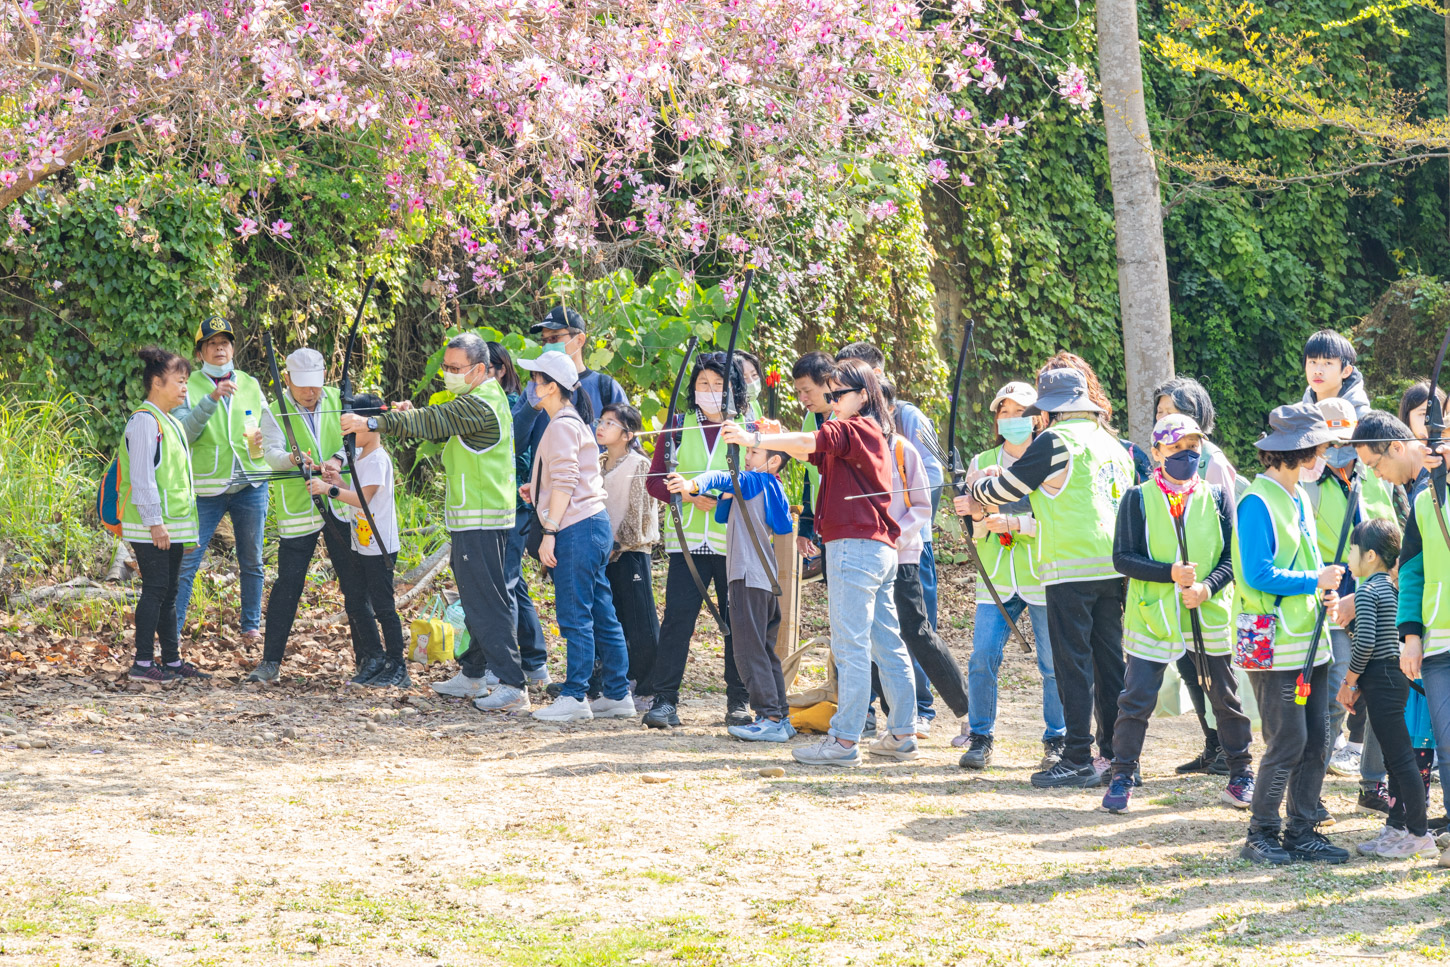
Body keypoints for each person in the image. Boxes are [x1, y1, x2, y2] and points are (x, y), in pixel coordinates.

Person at [723, 359, 920, 766]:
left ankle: (845, 741)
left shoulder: (855, 427)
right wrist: (773, 436)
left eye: (838, 394)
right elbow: (808, 449)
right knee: (884, 643)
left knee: (851, 647)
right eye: (829, 395)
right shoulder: (864, 431)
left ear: (863, 395)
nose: (831, 401)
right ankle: (902, 733)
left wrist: (751, 437)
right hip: (875, 549)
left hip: (855, 548)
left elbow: (810, 441)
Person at [959, 365, 1134, 789]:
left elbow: (1007, 491)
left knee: (1071, 665)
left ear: (1049, 409)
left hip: (1068, 567)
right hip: (1112, 565)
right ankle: (1118, 757)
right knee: (1110, 664)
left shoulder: (1056, 441)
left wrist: (975, 488)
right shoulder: (1112, 443)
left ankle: (1076, 757)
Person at [342, 333, 528, 712]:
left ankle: (512, 684)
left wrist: (372, 421)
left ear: (480, 369)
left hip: (483, 519)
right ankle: (474, 674)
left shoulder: (481, 404)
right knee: (474, 599)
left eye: (456, 368)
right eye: (446, 366)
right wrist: (404, 416)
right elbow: (436, 420)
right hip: (472, 518)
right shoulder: (477, 399)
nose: (448, 373)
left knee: (486, 602)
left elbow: (433, 420)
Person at [1102, 414, 1253, 814]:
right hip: (1153, 615)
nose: (1186, 455)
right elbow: (1123, 558)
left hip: (1207, 612)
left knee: (1224, 696)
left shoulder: (1217, 497)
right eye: (1175, 448)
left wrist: (1206, 587)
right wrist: (1168, 573)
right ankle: (1122, 775)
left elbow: (1231, 558)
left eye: (1192, 447)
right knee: (1136, 699)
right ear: (1156, 452)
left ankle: (1241, 773)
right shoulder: (1137, 498)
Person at [1232, 402, 1348, 865]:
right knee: (1288, 741)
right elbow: (1257, 573)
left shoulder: (1297, 495)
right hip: (1273, 643)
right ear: (1299, 452)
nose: (1324, 457)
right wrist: (1314, 581)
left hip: (1309, 640)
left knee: (1317, 739)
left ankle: (1302, 830)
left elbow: (1304, 565)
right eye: (1319, 449)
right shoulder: (1256, 501)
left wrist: (1325, 594)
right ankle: (1261, 832)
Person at [516, 351, 633, 723]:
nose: (531, 387)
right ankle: (617, 694)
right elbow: (570, 477)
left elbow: (567, 481)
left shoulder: (563, 425)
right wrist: (538, 490)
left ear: (552, 387)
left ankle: (575, 695)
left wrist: (549, 530)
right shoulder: (570, 422)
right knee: (601, 612)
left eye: (535, 380)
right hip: (591, 524)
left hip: (575, 528)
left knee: (575, 614)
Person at [957, 380, 1065, 771]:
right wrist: (975, 513)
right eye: (1005, 412)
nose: (1013, 419)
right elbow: (974, 529)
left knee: (1053, 663)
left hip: (1041, 574)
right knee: (983, 657)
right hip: (996, 578)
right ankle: (980, 737)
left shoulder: (1050, 457)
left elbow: (1059, 520)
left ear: (1037, 419)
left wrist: (1018, 524)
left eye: (1021, 412)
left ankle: (1057, 739)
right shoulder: (982, 460)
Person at [641, 351, 753, 728]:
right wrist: (688, 495)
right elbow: (654, 481)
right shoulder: (678, 425)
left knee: (737, 621)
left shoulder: (746, 428)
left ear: (734, 388)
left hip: (733, 539)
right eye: (703, 383)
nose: (710, 390)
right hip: (687, 541)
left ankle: (739, 701)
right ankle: (664, 701)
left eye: (719, 384)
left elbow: (764, 478)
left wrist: (727, 496)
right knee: (677, 620)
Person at [837, 343, 945, 731]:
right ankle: (869, 712)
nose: (844, 388)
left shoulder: (908, 419)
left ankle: (922, 710)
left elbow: (933, 476)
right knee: (868, 630)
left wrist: (900, 530)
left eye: (855, 376)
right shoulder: (842, 418)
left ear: (875, 378)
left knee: (913, 630)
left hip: (909, 546)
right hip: (864, 547)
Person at [250, 347, 371, 684]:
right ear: (287, 379)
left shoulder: (338, 400)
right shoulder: (274, 410)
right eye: (302, 384)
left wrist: (336, 460)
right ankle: (270, 662)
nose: (310, 391)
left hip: (338, 502)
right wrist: (293, 459)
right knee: (288, 584)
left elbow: (355, 441)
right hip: (299, 508)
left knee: (354, 581)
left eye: (315, 383)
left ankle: (367, 660)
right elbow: (271, 455)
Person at [1304, 398, 1397, 814]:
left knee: (1380, 695)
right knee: (1333, 698)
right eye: (1332, 440)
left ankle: (1372, 784)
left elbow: (1393, 538)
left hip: (1374, 598)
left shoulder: (1376, 477)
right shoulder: (1305, 483)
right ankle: (1308, 793)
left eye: (1348, 439)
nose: (1341, 448)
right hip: (1328, 607)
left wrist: (1367, 593)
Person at [666, 445, 795, 741]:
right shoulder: (771, 486)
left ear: (774, 461)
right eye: (746, 451)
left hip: (746, 576)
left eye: (754, 452)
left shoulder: (752, 480)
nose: (746, 457)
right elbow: (724, 514)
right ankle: (780, 716)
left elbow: (718, 477)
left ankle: (769, 718)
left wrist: (690, 484)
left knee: (748, 651)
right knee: (764, 651)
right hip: (765, 580)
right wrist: (724, 494)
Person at [1152, 376, 1240, 775]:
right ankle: (1211, 743)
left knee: (1214, 671)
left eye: (1173, 411)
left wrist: (1209, 583)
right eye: (1160, 412)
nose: (1165, 418)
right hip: (1176, 583)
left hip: (1208, 586)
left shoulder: (1212, 462)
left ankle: (1230, 750)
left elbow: (1226, 530)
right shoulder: (1161, 461)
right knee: (1189, 667)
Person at [875, 398, 973, 741]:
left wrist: (895, 536)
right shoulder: (852, 445)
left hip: (903, 555)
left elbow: (922, 502)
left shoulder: (903, 447)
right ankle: (897, 717)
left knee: (916, 631)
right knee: (875, 635)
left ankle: (971, 712)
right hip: (867, 556)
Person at [1341, 519, 1438, 859]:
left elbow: (1365, 642)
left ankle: (1419, 834)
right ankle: (1398, 827)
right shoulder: (1391, 590)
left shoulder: (1368, 591)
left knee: (1399, 759)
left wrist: (1348, 682)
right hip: (1393, 679)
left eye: (1352, 550)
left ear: (1370, 555)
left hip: (1381, 678)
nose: (1348, 557)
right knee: (1395, 759)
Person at [172, 317, 270, 641]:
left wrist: (265, 439)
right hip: (205, 488)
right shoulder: (188, 385)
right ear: (200, 353)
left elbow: (270, 428)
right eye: (211, 343)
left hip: (250, 484)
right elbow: (184, 433)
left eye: (224, 342)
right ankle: (172, 633)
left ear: (233, 348)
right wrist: (211, 399)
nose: (219, 348)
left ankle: (251, 627)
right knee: (187, 562)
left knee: (252, 560)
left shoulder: (250, 383)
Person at [306, 393, 408, 687]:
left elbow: (363, 500)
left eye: (353, 429)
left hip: (380, 546)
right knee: (358, 600)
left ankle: (398, 666)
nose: (348, 436)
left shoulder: (377, 459)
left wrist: (328, 490)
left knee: (384, 607)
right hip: (363, 543)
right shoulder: (361, 457)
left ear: (372, 424)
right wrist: (338, 482)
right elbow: (356, 490)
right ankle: (375, 659)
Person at [121, 347, 206, 683]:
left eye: (186, 381)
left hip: (172, 526)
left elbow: (181, 481)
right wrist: (155, 523)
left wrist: (188, 533)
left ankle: (172, 660)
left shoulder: (171, 422)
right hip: (151, 525)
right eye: (179, 381)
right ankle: (142, 663)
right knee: (156, 590)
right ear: (157, 382)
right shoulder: (144, 421)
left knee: (169, 593)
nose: (185, 387)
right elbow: (142, 477)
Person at [490, 342, 551, 687]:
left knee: (506, 584)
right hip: (504, 503)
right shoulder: (499, 401)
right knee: (516, 584)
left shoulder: (516, 403)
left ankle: (505, 669)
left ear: (500, 370)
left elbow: (518, 454)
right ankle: (534, 661)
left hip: (513, 504)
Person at [596, 403, 661, 712]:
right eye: (602, 421)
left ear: (628, 434)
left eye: (611, 423)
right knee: (614, 617)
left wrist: (618, 543)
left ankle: (650, 686)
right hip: (601, 552)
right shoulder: (597, 463)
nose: (602, 426)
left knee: (640, 619)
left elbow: (639, 513)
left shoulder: (639, 464)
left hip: (631, 552)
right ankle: (620, 680)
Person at [791, 351, 836, 575]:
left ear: (828, 383)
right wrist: (806, 528)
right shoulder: (810, 418)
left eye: (807, 391)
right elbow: (810, 478)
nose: (802, 398)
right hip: (825, 526)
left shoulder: (850, 418)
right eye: (799, 392)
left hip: (847, 526)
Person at [1301, 329, 1370, 418]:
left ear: (1346, 371)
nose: (1317, 371)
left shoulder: (1364, 418)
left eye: (1328, 363)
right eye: (1313, 362)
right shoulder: (1295, 417)